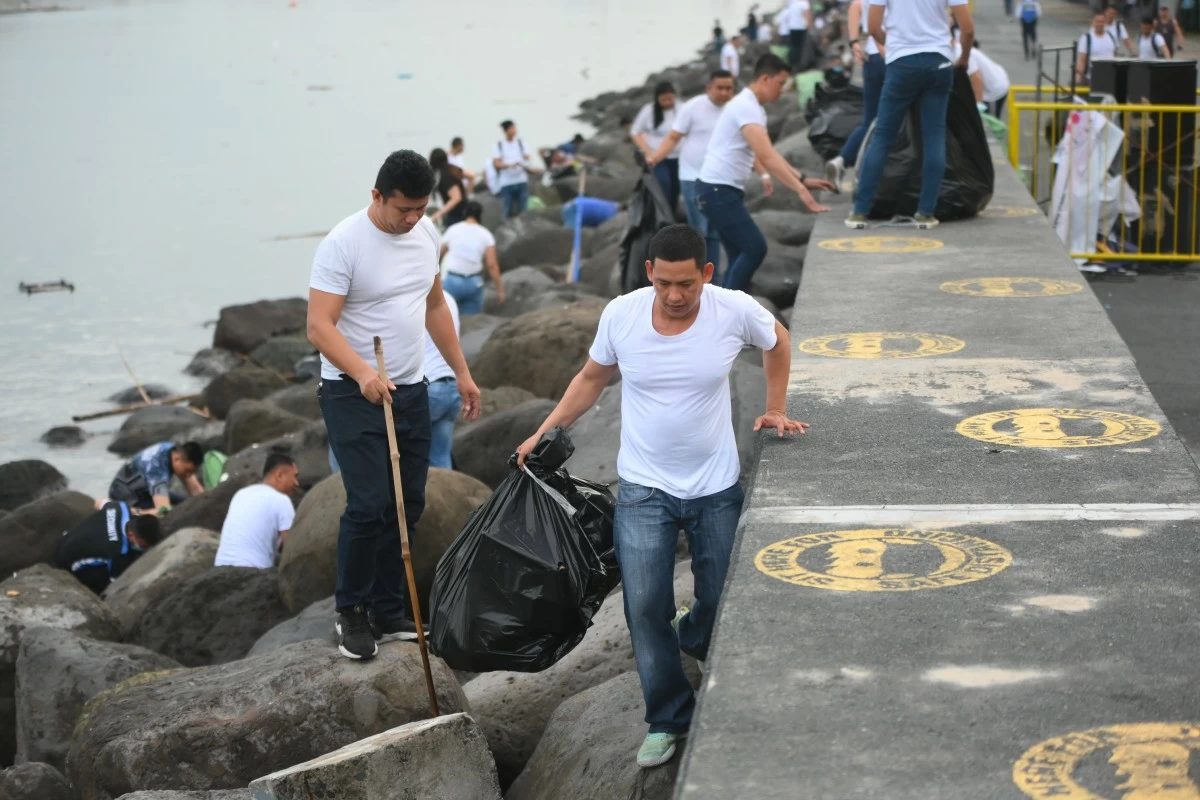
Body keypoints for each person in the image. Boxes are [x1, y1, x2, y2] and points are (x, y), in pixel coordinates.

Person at [514, 224, 809, 769]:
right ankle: (669, 716)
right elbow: (590, 378)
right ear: (649, 272)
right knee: (643, 606)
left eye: (686, 285)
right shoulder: (622, 315)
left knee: (721, 601)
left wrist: (775, 405)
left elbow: (779, 340)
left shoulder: (733, 309)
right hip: (644, 489)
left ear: (706, 275)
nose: (675, 295)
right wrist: (545, 431)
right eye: (664, 283)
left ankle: (691, 632)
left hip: (716, 487)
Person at [307, 149, 482, 661]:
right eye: (402, 209)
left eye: (420, 209)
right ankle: (352, 612)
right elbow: (319, 326)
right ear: (377, 196)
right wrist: (361, 372)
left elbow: (433, 307)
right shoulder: (343, 245)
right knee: (368, 504)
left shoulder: (426, 234)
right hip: (350, 389)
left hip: (411, 386)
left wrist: (463, 373)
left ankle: (387, 609)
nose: (411, 220)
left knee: (410, 502)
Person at [696, 53, 833, 291]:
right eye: (780, 84)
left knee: (740, 253)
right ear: (765, 79)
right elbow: (768, 158)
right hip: (717, 190)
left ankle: (727, 306)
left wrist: (802, 178)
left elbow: (767, 153)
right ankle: (727, 308)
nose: (782, 90)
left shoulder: (753, 108)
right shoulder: (745, 107)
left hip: (720, 190)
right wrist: (800, 191)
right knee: (755, 248)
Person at [845, 0, 975, 230]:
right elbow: (967, 29)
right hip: (939, 61)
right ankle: (925, 214)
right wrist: (963, 58)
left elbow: (873, 27)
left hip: (901, 64)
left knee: (883, 136)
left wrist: (898, 45)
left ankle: (860, 212)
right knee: (934, 136)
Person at [648, 70, 742, 271]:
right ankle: (698, 276)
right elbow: (674, 137)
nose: (725, 92)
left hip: (721, 178)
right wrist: (656, 158)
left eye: (729, 88)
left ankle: (711, 278)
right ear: (709, 87)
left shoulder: (736, 109)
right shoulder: (693, 107)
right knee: (700, 231)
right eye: (720, 88)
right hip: (692, 177)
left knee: (717, 230)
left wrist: (764, 173)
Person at [825, 0, 886, 192]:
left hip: (872, 58)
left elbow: (855, 7)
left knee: (871, 121)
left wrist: (854, 42)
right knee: (899, 121)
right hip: (896, 55)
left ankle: (841, 160)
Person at [213, 453, 299, 569]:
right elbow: (292, 547)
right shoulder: (281, 500)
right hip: (252, 572)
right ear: (280, 475)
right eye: (295, 476)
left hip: (220, 568)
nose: (296, 483)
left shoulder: (241, 494)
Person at [55, 500, 161, 594]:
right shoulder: (119, 554)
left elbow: (98, 502)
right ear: (131, 535)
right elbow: (115, 588)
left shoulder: (120, 508)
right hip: (66, 562)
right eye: (144, 545)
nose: (145, 548)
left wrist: (138, 511)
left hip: (66, 538)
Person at [441, 201, 504, 314]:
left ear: (465, 212)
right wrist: (500, 291)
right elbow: (492, 265)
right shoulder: (486, 235)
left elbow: (439, 254)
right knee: (470, 323)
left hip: (453, 280)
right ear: (480, 214)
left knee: (444, 317)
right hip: (474, 282)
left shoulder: (453, 229)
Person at [107, 441, 205, 513]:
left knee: (188, 503)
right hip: (127, 497)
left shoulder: (173, 449)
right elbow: (163, 510)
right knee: (171, 511)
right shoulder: (157, 469)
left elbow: (196, 491)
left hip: (145, 490)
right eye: (187, 471)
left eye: (192, 472)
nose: (189, 475)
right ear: (177, 458)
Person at [631, 81, 682, 212]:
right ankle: (663, 216)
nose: (667, 102)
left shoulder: (682, 109)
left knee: (676, 188)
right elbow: (635, 132)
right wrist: (647, 152)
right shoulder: (649, 111)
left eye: (670, 98)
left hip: (679, 156)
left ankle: (672, 214)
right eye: (663, 99)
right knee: (664, 185)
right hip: (657, 157)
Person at [424, 292, 461, 470]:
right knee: (440, 462)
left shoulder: (414, 297)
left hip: (427, 388)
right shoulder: (449, 299)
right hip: (452, 387)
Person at [493, 120, 537, 219]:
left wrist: (527, 166)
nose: (515, 130)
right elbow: (497, 164)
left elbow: (528, 159)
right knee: (507, 210)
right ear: (507, 130)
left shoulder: (521, 143)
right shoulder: (499, 145)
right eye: (512, 128)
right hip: (506, 182)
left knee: (524, 209)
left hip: (521, 180)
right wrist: (510, 165)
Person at [958, 40, 1012, 117]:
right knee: (989, 120)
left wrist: (979, 106)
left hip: (995, 88)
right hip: (996, 79)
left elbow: (977, 79)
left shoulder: (960, 53)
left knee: (991, 122)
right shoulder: (961, 49)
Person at [1076, 13, 1120, 83]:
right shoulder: (1086, 38)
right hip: (1092, 78)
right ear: (1093, 22)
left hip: (1110, 77)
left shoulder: (1111, 37)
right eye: (1097, 21)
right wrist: (1078, 79)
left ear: (1105, 22)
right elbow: (1082, 60)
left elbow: (1115, 55)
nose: (1100, 24)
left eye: (1102, 21)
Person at [428, 148, 465, 228]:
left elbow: (456, 198)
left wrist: (438, 214)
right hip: (463, 212)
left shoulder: (444, 176)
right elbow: (471, 175)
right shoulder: (452, 169)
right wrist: (466, 192)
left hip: (456, 215)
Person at [780, 0, 814, 70]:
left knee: (795, 48)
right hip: (801, 28)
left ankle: (794, 65)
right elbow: (807, 16)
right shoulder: (804, 3)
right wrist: (811, 29)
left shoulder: (792, 4)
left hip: (792, 28)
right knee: (803, 48)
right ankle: (802, 66)